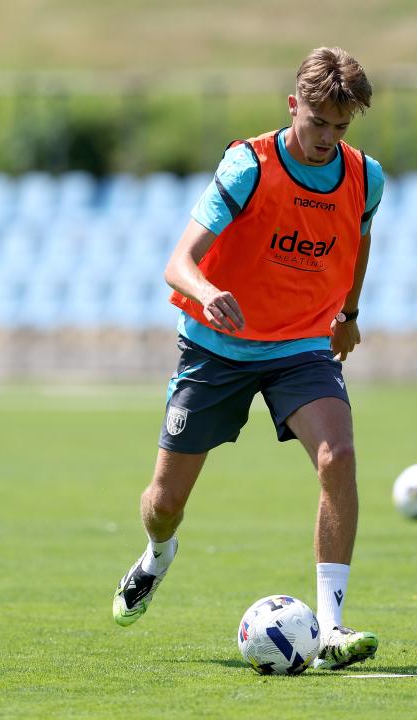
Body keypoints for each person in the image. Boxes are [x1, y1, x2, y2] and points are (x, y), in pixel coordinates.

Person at [111, 47, 384, 669]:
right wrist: (209, 292)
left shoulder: (366, 176)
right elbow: (177, 263)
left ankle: (333, 628)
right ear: (294, 106)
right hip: (216, 347)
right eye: (317, 122)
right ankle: (157, 555)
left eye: (341, 128)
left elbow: (359, 239)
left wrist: (349, 314)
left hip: (301, 346)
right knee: (164, 503)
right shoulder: (248, 166)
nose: (327, 139)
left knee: (338, 456)